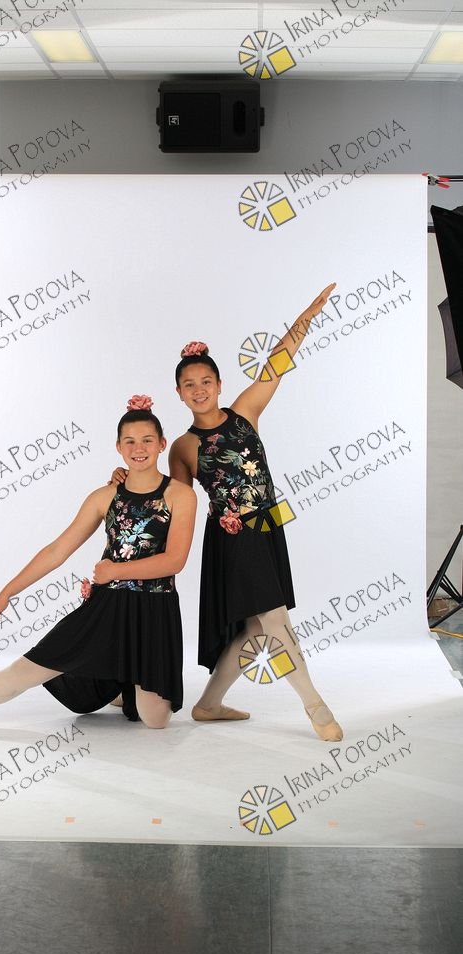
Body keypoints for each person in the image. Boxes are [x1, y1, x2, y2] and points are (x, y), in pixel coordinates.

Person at [0, 396, 196, 730]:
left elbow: (174, 561)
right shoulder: (104, 497)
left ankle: (124, 682)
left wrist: (115, 570)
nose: (139, 448)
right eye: (129, 441)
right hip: (108, 608)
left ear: (161, 444)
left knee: (155, 720)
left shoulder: (180, 495)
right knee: (23, 672)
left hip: (154, 611)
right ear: (118, 447)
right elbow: (57, 551)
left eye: (147, 440)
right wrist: (8, 592)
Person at [113, 286, 343, 741]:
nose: (199, 390)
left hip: (268, 526)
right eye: (189, 385)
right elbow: (171, 497)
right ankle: (315, 706)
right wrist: (126, 478)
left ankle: (209, 704)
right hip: (233, 537)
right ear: (179, 394)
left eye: (206, 382)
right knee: (274, 618)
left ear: (219, 385)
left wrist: (306, 317)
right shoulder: (182, 446)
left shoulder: (245, 412)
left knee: (254, 630)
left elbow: (278, 362)